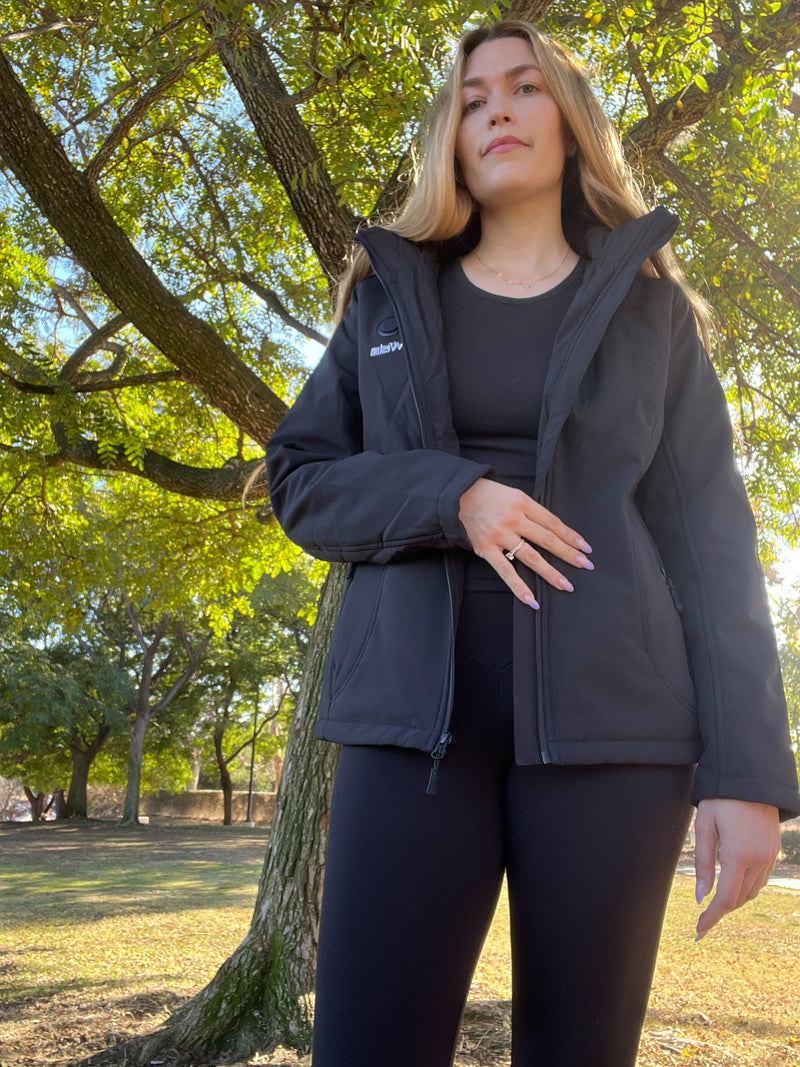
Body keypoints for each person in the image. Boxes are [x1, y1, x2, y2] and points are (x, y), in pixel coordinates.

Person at [266, 19, 800, 1067]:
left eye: (522, 88)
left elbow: (711, 548)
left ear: (570, 121)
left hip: (616, 739)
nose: (496, 109)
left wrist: (745, 775)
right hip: (408, 732)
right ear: (451, 138)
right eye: (471, 99)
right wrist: (451, 493)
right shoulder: (382, 295)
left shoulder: (655, 319)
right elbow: (300, 481)